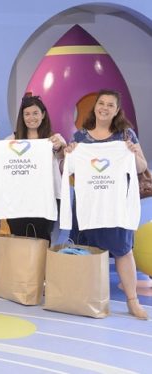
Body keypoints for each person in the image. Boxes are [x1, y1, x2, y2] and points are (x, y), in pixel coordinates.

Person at [64, 90, 148, 320]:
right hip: (88, 204)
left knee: (123, 251)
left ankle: (132, 301)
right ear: (95, 106)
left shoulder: (126, 135)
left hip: (115, 204)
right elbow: (66, 170)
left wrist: (133, 153)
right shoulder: (80, 137)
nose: (104, 108)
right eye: (101, 103)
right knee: (84, 251)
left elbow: (141, 167)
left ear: (117, 110)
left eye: (110, 105)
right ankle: (83, 298)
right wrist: (67, 155)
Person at [0, 95, 65, 241]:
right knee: (18, 238)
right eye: (27, 114)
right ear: (22, 117)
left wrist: (60, 147)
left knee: (42, 238)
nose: (31, 118)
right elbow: (0, 161)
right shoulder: (11, 141)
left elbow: (63, 159)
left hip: (47, 198)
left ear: (43, 114)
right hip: (18, 198)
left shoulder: (55, 139)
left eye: (35, 113)